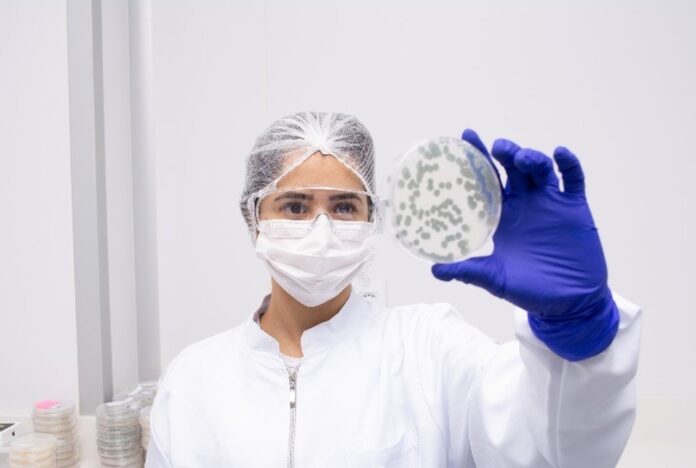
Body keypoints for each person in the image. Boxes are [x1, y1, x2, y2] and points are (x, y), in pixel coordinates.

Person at [144, 111, 641, 467]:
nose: (321, 228)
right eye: (295, 206)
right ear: (253, 218)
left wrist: (577, 330)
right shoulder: (194, 380)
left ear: (373, 220)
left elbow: (555, 451)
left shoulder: (431, 350)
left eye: (344, 207)